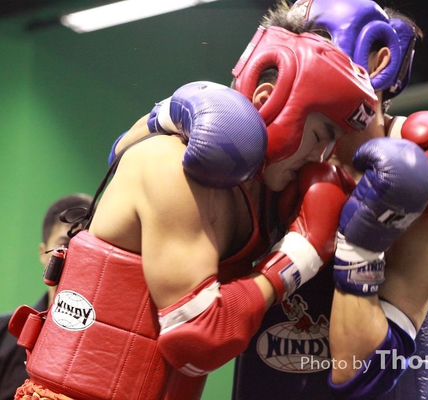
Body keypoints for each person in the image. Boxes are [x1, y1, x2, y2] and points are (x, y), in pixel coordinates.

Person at [8, 25, 381, 399]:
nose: (319, 158)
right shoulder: (170, 167)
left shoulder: (269, 193)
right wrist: (298, 257)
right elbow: (199, 338)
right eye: (319, 136)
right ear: (268, 99)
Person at [233, 1, 428, 399]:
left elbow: (358, 372)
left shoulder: (420, 212)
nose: (313, 59)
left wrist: (360, 243)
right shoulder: (269, 167)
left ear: (380, 62)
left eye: (325, 43)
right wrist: (172, 116)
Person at [0, 193, 93, 400]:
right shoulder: (2, 335)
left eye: (86, 246)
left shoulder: (108, 345)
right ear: (43, 252)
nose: (75, 254)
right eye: (65, 244)